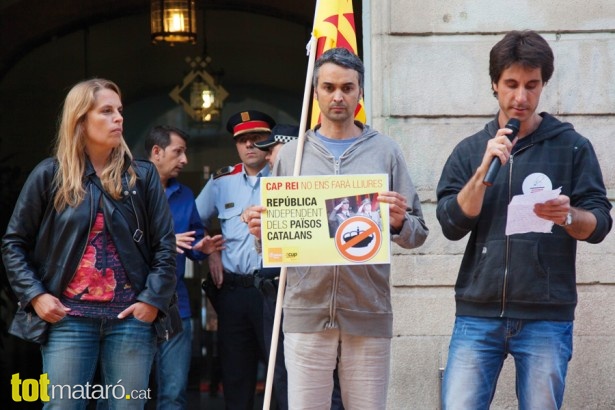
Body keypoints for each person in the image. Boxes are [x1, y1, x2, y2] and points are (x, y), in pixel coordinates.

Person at [436, 30, 612, 409]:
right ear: (494, 86)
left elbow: (599, 224)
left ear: (543, 84)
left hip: (546, 316)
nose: (521, 97)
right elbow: (450, 224)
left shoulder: (573, 146)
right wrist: (483, 170)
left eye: (532, 85)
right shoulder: (470, 150)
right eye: (511, 85)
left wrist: (567, 215)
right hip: (478, 312)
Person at [245, 47, 429, 409]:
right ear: (315, 93)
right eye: (328, 87)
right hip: (305, 310)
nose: (338, 95)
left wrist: (397, 223)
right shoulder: (292, 155)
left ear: (360, 92)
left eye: (348, 87)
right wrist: (261, 232)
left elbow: (418, 231)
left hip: (367, 310)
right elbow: (274, 246)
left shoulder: (386, 152)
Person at [1, 78, 178, 409]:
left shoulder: (142, 176)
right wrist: (36, 296)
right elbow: (14, 243)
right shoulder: (49, 176)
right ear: (80, 120)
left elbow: (165, 247)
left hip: (131, 321)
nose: (119, 118)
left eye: (120, 111)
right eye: (107, 111)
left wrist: (152, 300)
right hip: (68, 320)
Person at [248, 124, 345, 410]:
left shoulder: (321, 183)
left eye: (271, 150)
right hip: (275, 291)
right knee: (281, 374)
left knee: (329, 380)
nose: (266, 158)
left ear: (294, 147)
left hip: (316, 294)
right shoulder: (275, 186)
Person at [195, 110, 275, 409]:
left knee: (281, 375)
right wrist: (212, 251)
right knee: (236, 376)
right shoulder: (221, 182)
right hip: (234, 293)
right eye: (243, 139)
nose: (250, 144)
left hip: (275, 290)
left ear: (270, 140)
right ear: (236, 145)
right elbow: (193, 222)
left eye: (258, 137)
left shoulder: (286, 178)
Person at [145, 125, 224, 409]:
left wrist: (202, 250)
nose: (184, 160)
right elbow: (115, 244)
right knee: (127, 395)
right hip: (132, 305)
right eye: (178, 152)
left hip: (176, 307)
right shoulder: (126, 189)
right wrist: (166, 241)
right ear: (157, 152)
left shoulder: (185, 195)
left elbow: (192, 244)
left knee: (174, 395)